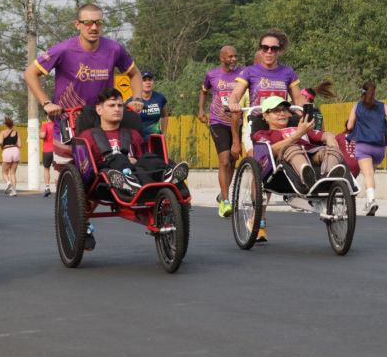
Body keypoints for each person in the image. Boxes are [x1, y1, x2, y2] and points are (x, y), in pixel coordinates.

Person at [23, 3, 144, 167]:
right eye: (87, 23)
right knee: (69, 178)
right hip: (69, 123)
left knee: (108, 169)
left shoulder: (114, 49)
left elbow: (135, 74)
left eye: (98, 22)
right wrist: (46, 103)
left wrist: (137, 99)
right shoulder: (63, 49)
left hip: (103, 123)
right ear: (78, 24)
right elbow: (30, 73)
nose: (93, 27)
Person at [77, 88, 189, 250]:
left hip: (138, 176)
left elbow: (141, 160)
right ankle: (128, 181)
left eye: (120, 106)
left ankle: (168, 175)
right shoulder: (87, 136)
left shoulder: (133, 134)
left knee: (150, 158)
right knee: (117, 158)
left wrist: (135, 161)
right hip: (107, 180)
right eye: (112, 105)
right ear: (99, 109)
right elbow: (85, 167)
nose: (117, 109)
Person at [228, 29, 301, 242]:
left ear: (279, 51)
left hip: (282, 124)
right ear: (259, 50)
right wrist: (233, 102)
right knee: (260, 166)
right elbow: (236, 94)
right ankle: (258, 218)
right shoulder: (249, 72)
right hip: (257, 123)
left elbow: (298, 99)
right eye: (265, 48)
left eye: (274, 48)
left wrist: (301, 110)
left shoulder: (288, 73)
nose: (269, 52)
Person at [253, 96, 346, 189]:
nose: (282, 113)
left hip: (312, 154)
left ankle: (328, 179)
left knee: (332, 150)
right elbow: (270, 150)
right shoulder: (263, 134)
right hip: (288, 157)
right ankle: (306, 177)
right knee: (292, 148)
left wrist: (331, 141)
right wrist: (299, 134)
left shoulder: (300, 128)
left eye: (285, 110)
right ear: (266, 116)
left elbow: (326, 135)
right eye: (276, 111)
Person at [198, 45, 242, 217]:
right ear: (222, 58)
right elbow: (203, 91)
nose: (233, 59)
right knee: (224, 160)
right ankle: (225, 201)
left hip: (237, 122)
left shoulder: (242, 74)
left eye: (235, 56)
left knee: (232, 160)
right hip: (218, 121)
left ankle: (222, 194)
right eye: (230, 56)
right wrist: (201, 109)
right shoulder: (212, 74)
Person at [347, 81, 387, 216]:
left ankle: (371, 200)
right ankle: (370, 201)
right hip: (379, 148)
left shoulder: (357, 106)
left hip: (363, 146)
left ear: (362, 92)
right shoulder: (382, 106)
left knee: (368, 175)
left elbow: (350, 126)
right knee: (371, 174)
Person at [138, 71, 168, 141]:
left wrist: (164, 133)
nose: (147, 82)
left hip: (156, 139)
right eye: (144, 80)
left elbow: (164, 116)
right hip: (139, 140)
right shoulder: (133, 100)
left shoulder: (160, 98)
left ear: (153, 82)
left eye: (150, 80)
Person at [0, 116, 21, 197]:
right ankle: (14, 191)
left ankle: (8, 183)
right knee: (13, 173)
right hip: (15, 150)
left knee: (4, 172)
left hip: (7, 150)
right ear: (12, 124)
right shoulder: (16, 132)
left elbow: (0, 142)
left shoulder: (3, 132)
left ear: (5, 124)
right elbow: (20, 145)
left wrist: (2, 147)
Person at [40, 116, 54, 197]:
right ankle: (60, 187)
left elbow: (42, 135)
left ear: (47, 116)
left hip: (47, 150)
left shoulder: (45, 125)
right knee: (58, 169)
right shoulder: (57, 125)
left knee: (46, 169)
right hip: (56, 150)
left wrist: (39, 132)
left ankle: (47, 187)